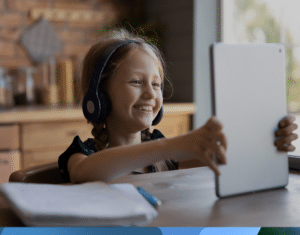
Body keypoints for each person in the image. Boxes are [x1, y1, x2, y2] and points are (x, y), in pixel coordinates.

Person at [58, 28, 298, 183]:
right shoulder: (84, 154)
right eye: (136, 82)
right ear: (99, 94)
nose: (151, 93)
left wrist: (268, 139)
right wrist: (171, 146)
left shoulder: (165, 155)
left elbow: (225, 158)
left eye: (156, 84)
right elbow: (84, 173)